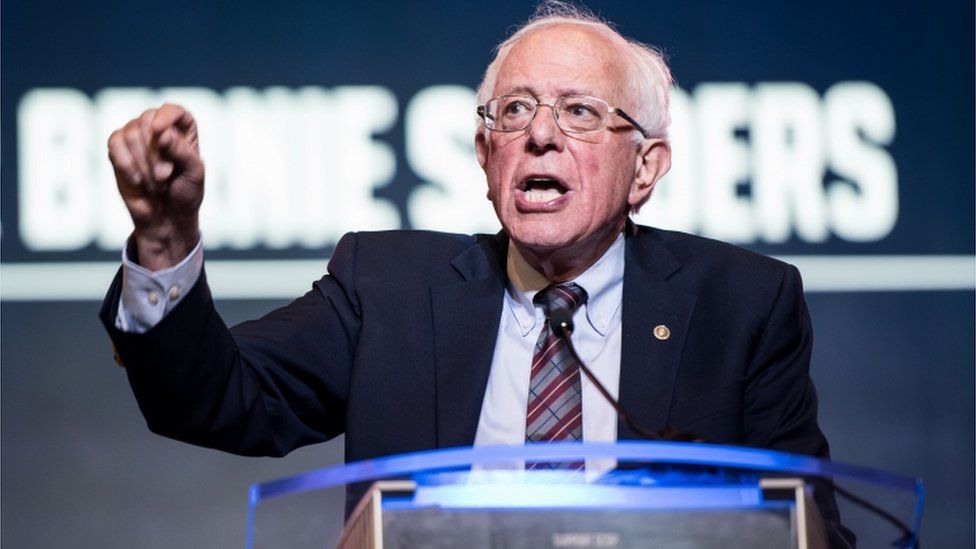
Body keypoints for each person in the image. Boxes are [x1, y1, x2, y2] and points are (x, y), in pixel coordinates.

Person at [102, 4, 853, 546]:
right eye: (515, 110)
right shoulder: (387, 287)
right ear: (485, 153)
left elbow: (804, 526)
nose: (541, 135)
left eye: (582, 112)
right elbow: (212, 399)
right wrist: (165, 237)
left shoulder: (741, 303)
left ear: (646, 167)